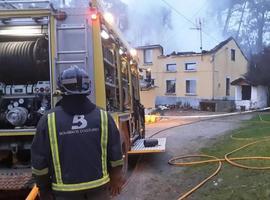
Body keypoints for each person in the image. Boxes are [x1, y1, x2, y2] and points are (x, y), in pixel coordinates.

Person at [31, 65, 124, 200]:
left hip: (64, 192)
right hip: (99, 190)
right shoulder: (103, 116)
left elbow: (39, 160)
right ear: (88, 88)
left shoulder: (48, 119)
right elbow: (115, 151)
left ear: (61, 88)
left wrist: (43, 188)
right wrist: (116, 176)